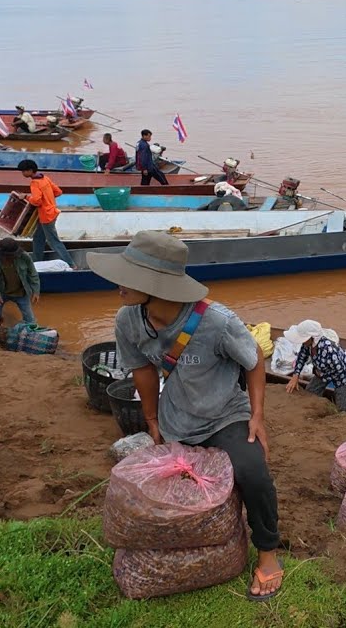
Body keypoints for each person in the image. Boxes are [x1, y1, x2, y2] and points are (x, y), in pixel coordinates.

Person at [86, 230, 283, 601]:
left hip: (225, 416)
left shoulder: (217, 322)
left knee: (253, 473)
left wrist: (257, 416)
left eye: (129, 277)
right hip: (176, 418)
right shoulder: (128, 320)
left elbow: (255, 360)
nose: (118, 286)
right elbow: (143, 369)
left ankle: (269, 552)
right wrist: (152, 421)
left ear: (156, 285)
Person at [283, 319, 346, 413]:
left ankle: (344, 418)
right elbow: (301, 357)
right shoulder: (307, 344)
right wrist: (296, 375)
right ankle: (315, 410)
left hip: (343, 373)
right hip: (322, 371)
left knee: (342, 404)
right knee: (310, 391)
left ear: (312, 337)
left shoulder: (328, 348)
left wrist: (322, 376)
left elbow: (339, 369)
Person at [17, 160, 74, 267]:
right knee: (38, 238)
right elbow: (58, 192)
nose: (22, 174)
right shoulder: (45, 178)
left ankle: (71, 264)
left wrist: (26, 196)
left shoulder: (34, 183)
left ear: (30, 170)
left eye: (23, 171)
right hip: (52, 211)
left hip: (46, 216)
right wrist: (48, 199)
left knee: (54, 242)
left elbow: (36, 201)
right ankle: (36, 261)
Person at [0, 236, 39, 333]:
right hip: (1, 292)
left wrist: (36, 291)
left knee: (30, 321)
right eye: (7, 256)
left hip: (21, 293)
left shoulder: (24, 257)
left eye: (12, 255)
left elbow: (32, 274)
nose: (10, 257)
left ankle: (28, 334)